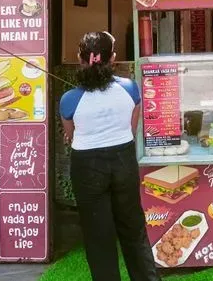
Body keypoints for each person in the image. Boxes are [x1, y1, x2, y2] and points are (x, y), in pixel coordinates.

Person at [60, 31, 160, 281]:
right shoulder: (130, 88)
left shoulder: (69, 99)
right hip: (123, 160)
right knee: (133, 230)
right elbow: (131, 129)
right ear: (113, 58)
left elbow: (70, 136)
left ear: (80, 58)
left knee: (98, 236)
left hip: (86, 166)